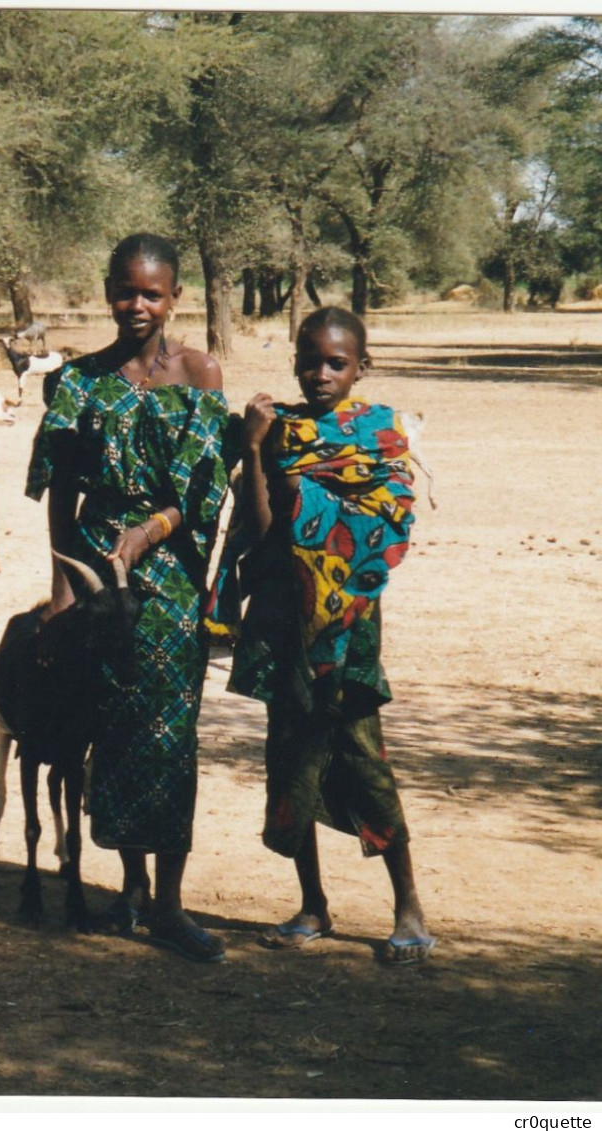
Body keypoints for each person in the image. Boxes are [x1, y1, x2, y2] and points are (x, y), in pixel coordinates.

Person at [24, 233, 230, 963]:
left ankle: (170, 903)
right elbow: (61, 490)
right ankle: (129, 888)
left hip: (168, 578)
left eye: (151, 293)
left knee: (168, 736)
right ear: (107, 288)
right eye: (124, 290)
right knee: (108, 729)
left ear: (175, 298)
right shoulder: (78, 382)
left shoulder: (200, 374)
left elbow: (205, 490)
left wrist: (149, 531)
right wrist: (57, 593)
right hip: (94, 582)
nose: (136, 306)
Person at [215, 306, 434, 966]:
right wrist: (255, 451)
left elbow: (382, 525)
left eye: (335, 362)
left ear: (360, 367)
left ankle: (408, 907)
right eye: (308, 360)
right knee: (290, 765)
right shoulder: (273, 430)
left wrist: (299, 494)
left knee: (365, 763)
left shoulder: (380, 433)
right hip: (285, 623)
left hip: (347, 628)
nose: (319, 372)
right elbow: (255, 528)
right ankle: (311, 903)